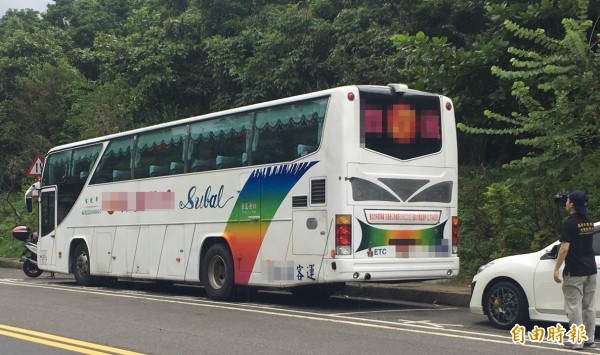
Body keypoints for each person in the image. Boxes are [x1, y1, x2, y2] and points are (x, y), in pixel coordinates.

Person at [553, 190, 597, 349]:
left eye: (567, 200)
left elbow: (564, 248)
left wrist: (556, 268)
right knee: (589, 306)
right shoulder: (589, 221)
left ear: (571, 204)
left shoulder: (569, 223)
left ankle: (577, 341)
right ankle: (589, 338)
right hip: (591, 269)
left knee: (574, 307)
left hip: (575, 271)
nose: (565, 203)